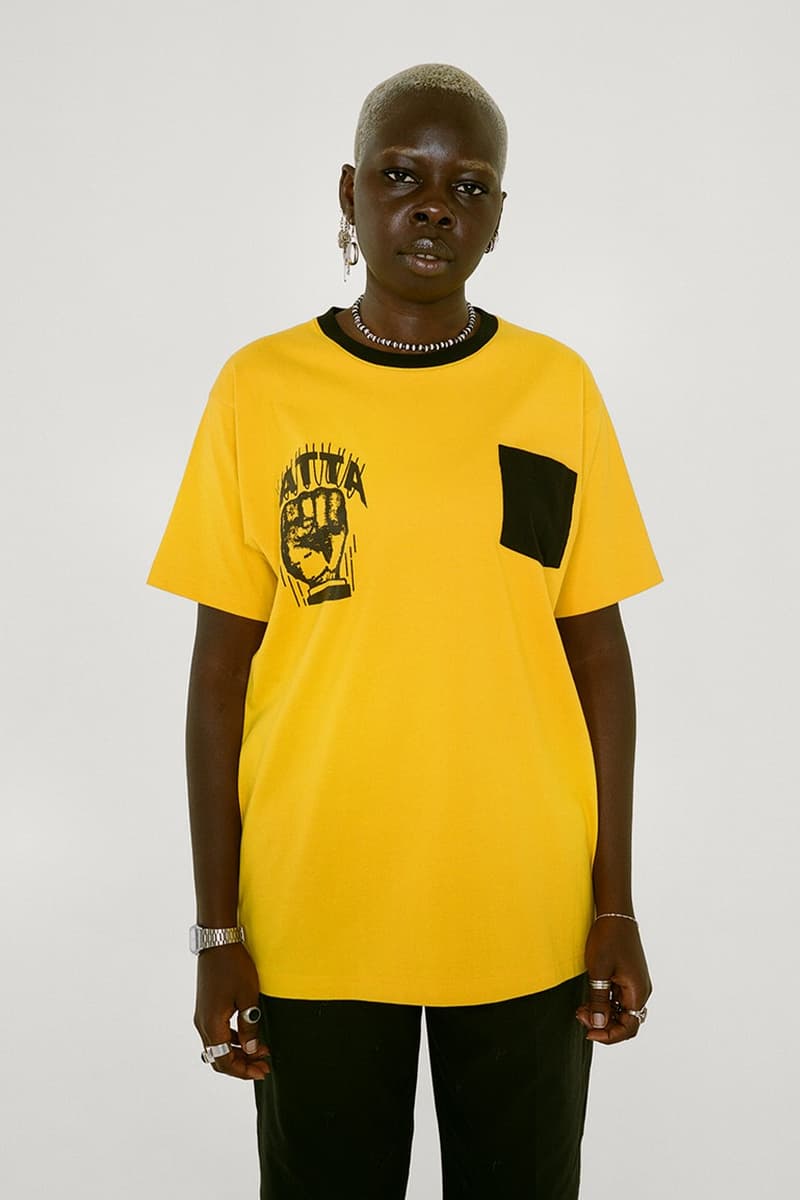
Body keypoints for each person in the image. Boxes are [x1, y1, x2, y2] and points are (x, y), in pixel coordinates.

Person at [147, 62, 663, 1199]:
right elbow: (219, 679)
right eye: (401, 176)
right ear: (349, 193)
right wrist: (215, 931)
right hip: (313, 914)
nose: (434, 205)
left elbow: (597, 657)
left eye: (467, 185)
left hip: (526, 911)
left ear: (497, 215)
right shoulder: (260, 389)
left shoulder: (554, 388)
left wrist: (613, 903)